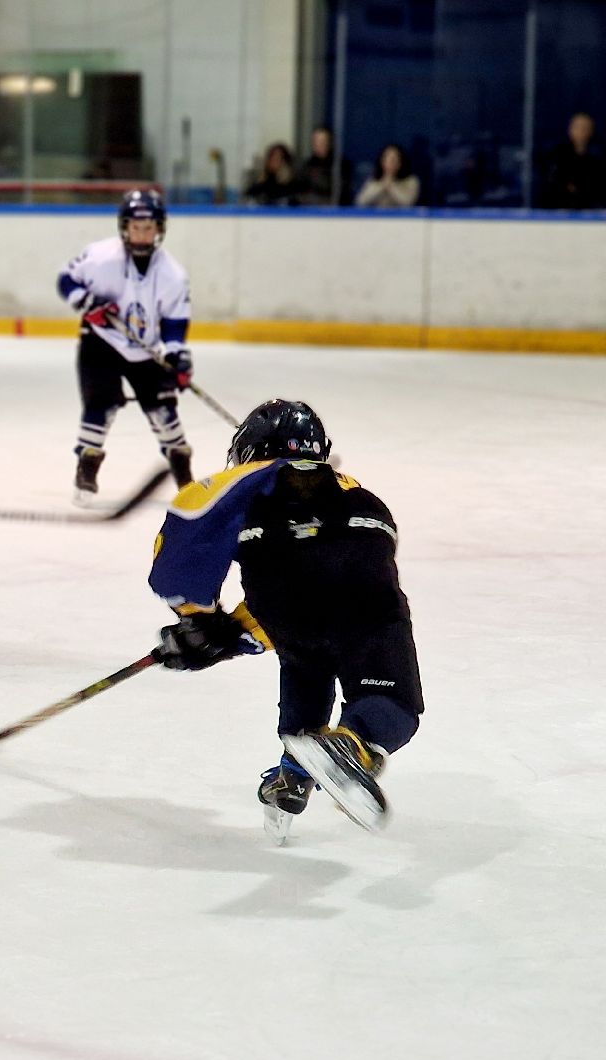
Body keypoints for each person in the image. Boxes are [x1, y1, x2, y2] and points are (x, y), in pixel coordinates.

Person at [147, 399, 423, 839]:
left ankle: (296, 770)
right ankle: (337, 751)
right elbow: (361, 560)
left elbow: (180, 561)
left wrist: (202, 622)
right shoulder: (351, 485)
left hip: (287, 599)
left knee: (304, 651)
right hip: (364, 576)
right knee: (392, 705)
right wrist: (229, 633)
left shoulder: (238, 479)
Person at [55, 188, 195, 502]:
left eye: (148, 228)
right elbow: (66, 278)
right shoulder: (101, 257)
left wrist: (177, 357)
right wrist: (87, 301)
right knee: (100, 405)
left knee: (163, 410)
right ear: (125, 227)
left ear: (159, 229)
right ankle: (86, 471)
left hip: (144, 347)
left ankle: (184, 477)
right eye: (136, 227)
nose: (142, 234)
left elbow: (174, 323)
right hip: (101, 341)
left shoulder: (173, 274)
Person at [539, 112, 606, 210]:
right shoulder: (557, 155)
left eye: (585, 128)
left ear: (591, 130)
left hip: (590, 209)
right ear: (570, 129)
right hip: (558, 209)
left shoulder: (598, 157)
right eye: (578, 127)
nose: (581, 131)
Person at [296, 126, 350, 206]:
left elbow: (339, 191)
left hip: (335, 211)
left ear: (329, 142)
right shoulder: (307, 165)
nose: (318, 144)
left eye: (322, 141)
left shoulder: (340, 164)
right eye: (316, 141)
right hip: (309, 210)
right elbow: (300, 189)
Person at [354, 144, 420, 208]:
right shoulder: (374, 180)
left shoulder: (411, 181)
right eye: (386, 158)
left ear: (400, 163)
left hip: (401, 218)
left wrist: (391, 186)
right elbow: (360, 202)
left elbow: (408, 203)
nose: (389, 163)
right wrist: (381, 186)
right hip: (377, 217)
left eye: (393, 160)